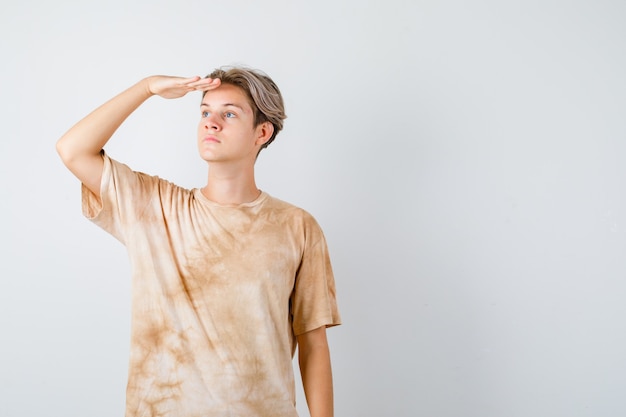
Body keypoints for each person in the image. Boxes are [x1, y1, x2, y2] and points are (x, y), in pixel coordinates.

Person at [56, 67, 341, 417]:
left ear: (261, 133)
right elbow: (72, 150)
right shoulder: (155, 207)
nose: (211, 122)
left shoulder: (296, 226)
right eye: (205, 112)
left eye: (229, 114)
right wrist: (146, 88)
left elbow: (313, 344)